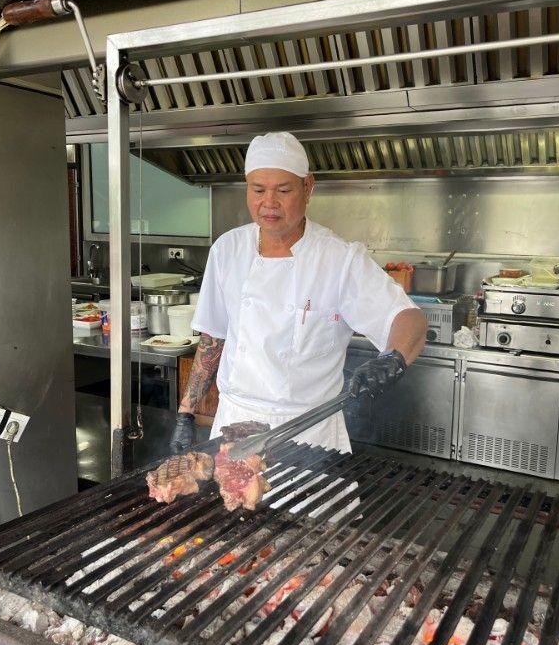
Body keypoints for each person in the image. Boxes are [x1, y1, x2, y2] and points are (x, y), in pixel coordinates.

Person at [172, 131, 425, 454]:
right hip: (234, 426)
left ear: (308, 187)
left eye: (283, 190)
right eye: (258, 190)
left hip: (309, 433)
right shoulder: (228, 250)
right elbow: (213, 338)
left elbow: (408, 318)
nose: (269, 203)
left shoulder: (339, 258)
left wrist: (393, 358)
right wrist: (186, 413)